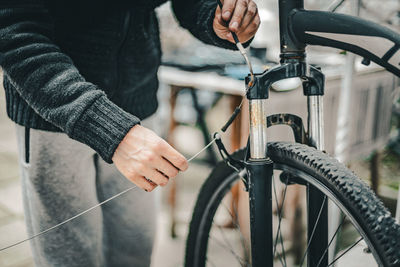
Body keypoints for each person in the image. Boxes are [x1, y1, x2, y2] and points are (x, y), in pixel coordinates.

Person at [0, 0, 260, 266]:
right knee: (71, 259)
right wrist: (110, 130)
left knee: (134, 253)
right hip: (55, 116)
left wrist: (214, 17)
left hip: (138, 103)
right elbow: (14, 28)